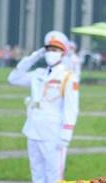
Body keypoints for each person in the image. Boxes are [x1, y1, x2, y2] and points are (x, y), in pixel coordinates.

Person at [7, 30, 79, 183]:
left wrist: (66, 135)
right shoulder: (38, 74)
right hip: (33, 130)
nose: (50, 53)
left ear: (62, 53)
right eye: (48, 50)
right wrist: (34, 56)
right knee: (37, 174)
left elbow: (71, 108)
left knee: (54, 177)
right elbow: (13, 78)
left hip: (53, 133)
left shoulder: (68, 77)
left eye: (55, 50)